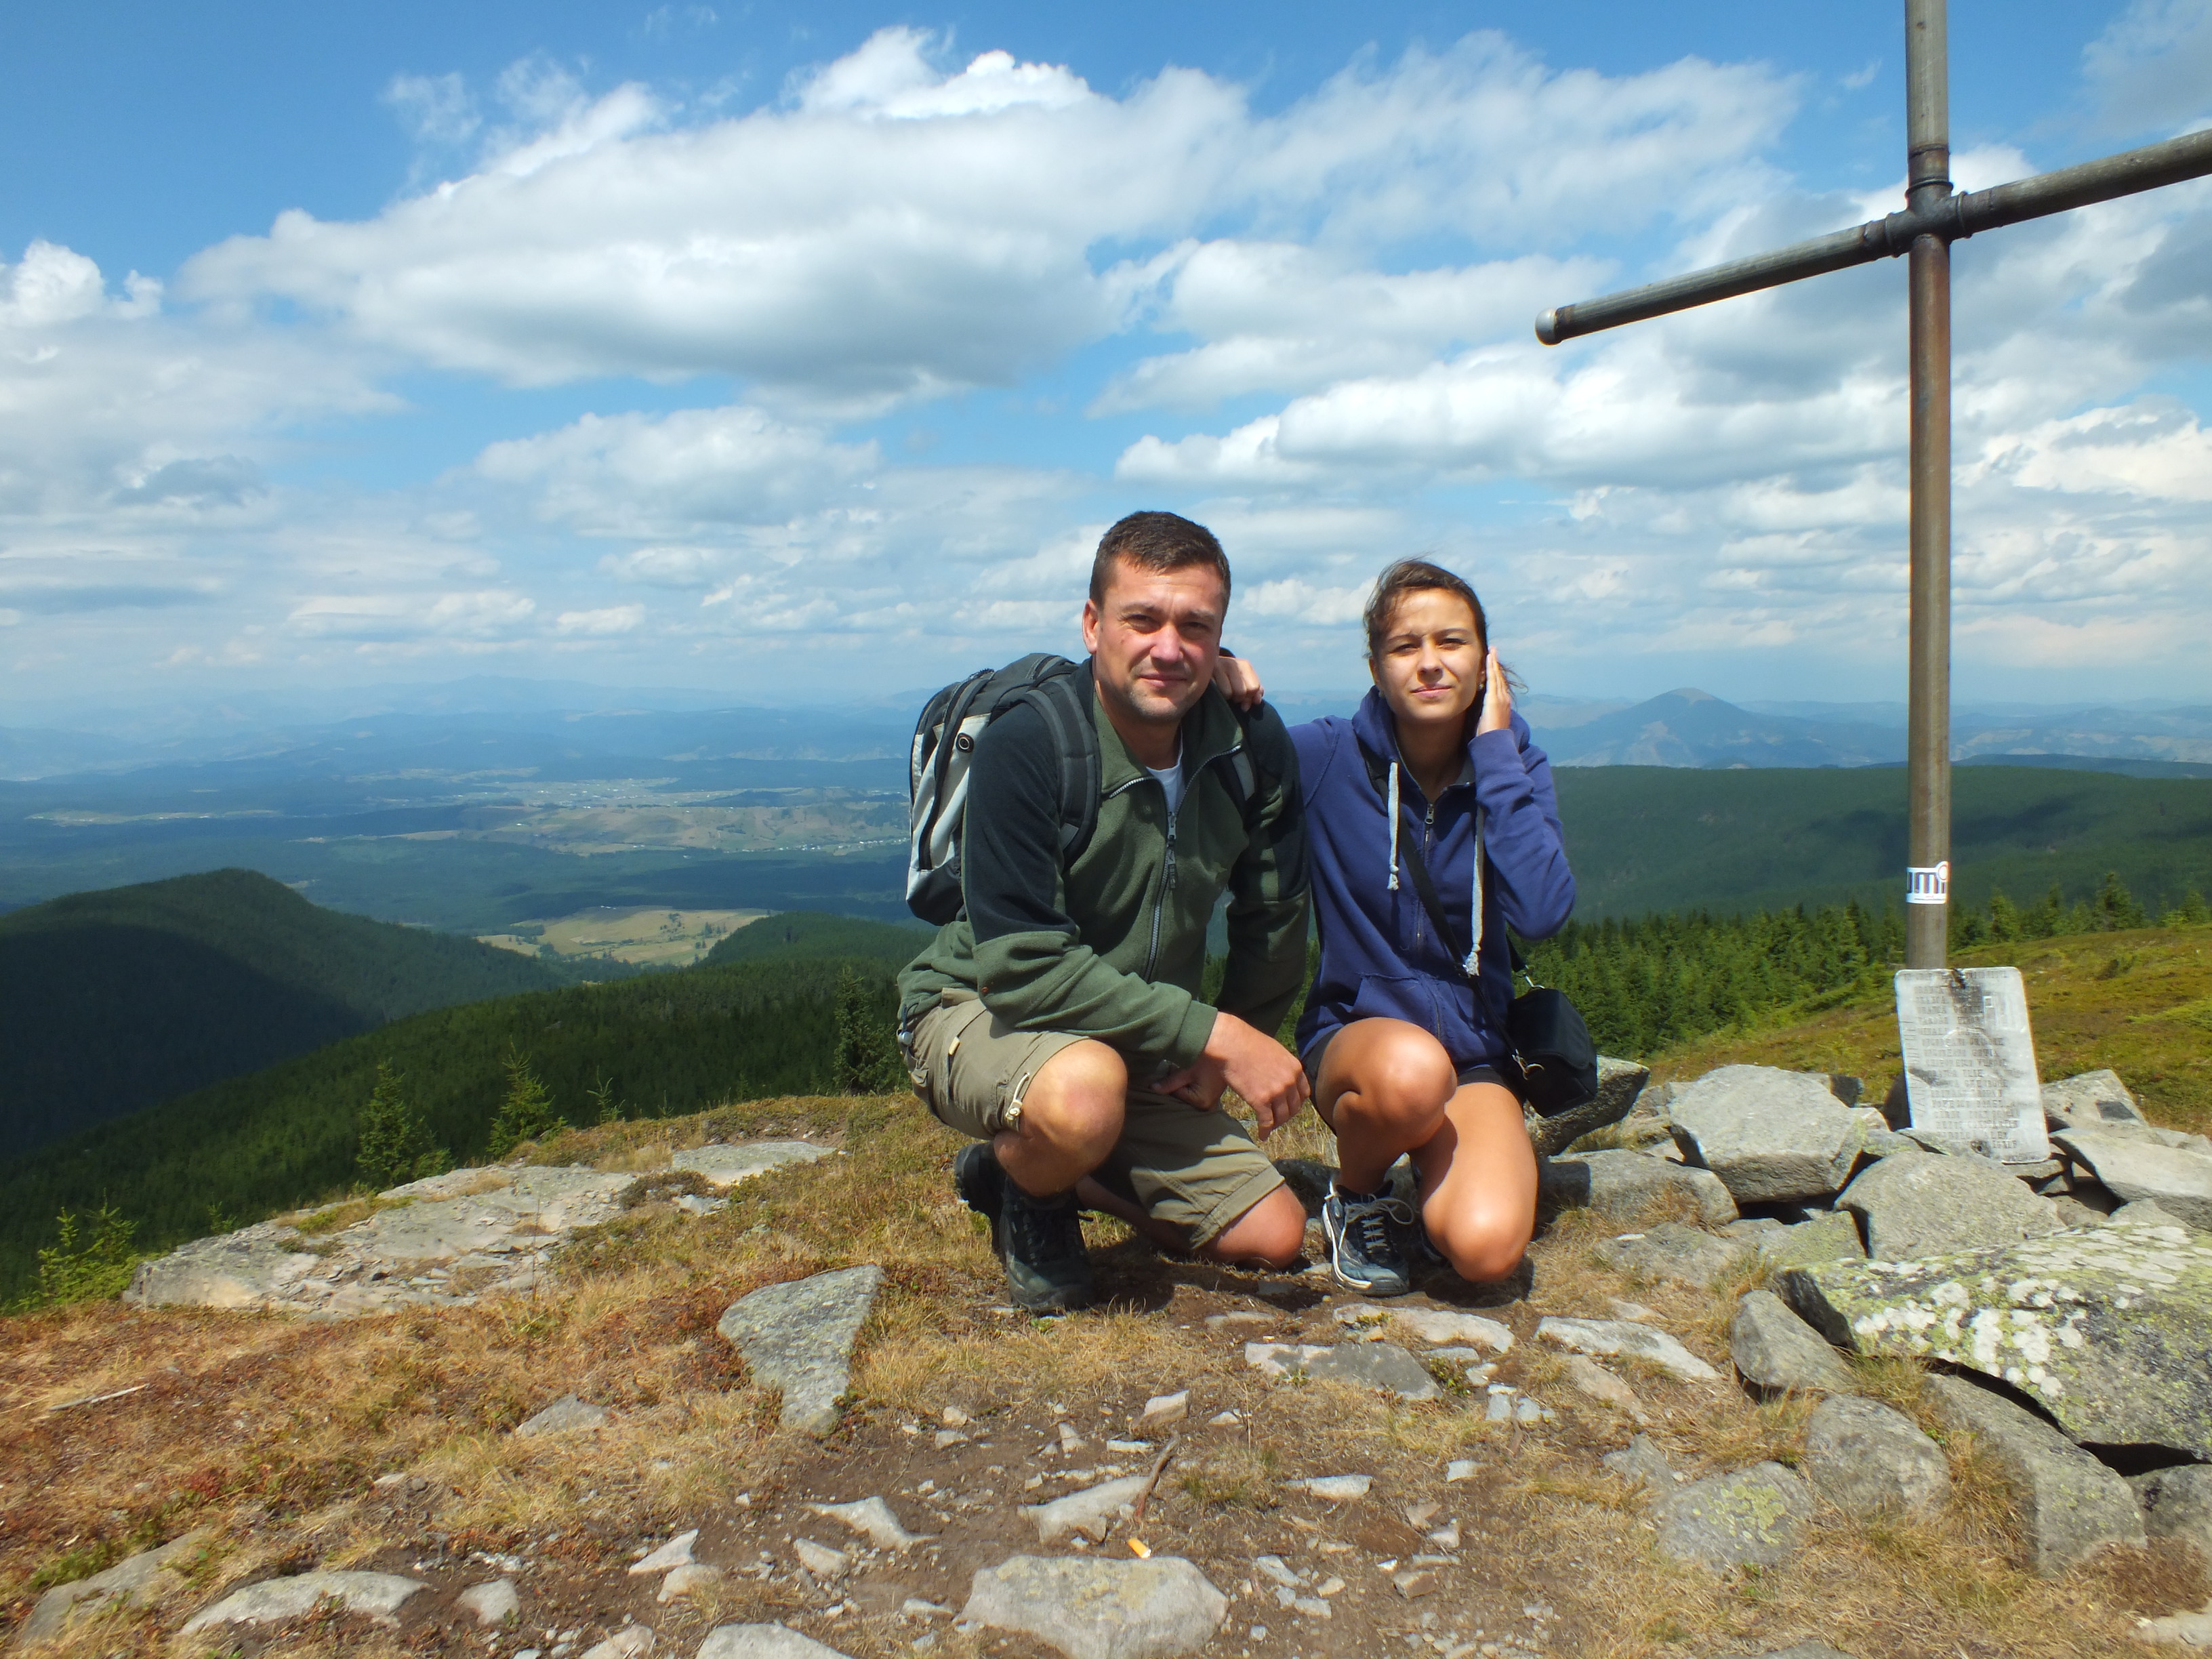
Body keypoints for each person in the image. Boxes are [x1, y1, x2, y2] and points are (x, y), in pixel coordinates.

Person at [898, 511, 1315, 1312]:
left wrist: (1232, 1035)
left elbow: (1274, 915)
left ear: (1221, 639)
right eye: (1142, 619)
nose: (1169, 647)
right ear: (1093, 625)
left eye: (1196, 626)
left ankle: (1048, 1168)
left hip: (1133, 1035)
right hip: (978, 1005)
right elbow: (1022, 971)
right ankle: (1035, 1194)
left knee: (1272, 1234)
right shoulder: (1033, 741)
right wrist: (1217, 1035)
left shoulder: (1248, 746)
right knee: (1083, 1090)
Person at [1269, 558, 1574, 1296]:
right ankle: (1358, 1194)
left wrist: (1494, 756)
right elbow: (1221, 747)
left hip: (1475, 1055)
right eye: (1406, 646)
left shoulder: (1516, 766)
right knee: (1411, 1073)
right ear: (1376, 666)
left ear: (1486, 661)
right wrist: (1226, 681)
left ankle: (1433, 1173)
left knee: (1487, 1250)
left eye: (1452, 642)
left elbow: (1542, 912)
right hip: (1360, 1046)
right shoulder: (1327, 756)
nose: (1430, 663)